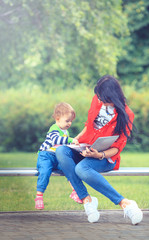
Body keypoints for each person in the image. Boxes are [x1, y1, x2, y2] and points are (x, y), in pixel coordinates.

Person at [56, 75, 143, 225]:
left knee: (82, 168)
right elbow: (88, 125)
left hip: (105, 157)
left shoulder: (127, 114)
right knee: (61, 151)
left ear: (113, 97)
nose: (101, 101)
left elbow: (117, 147)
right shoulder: (96, 100)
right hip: (84, 150)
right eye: (99, 97)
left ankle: (125, 203)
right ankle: (87, 200)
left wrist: (100, 154)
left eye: (104, 99)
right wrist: (74, 141)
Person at [35, 102, 82, 210]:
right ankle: (39, 196)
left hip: (57, 157)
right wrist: (71, 140)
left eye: (70, 121)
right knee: (45, 171)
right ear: (57, 118)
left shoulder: (66, 131)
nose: (69, 123)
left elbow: (65, 146)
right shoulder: (54, 128)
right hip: (46, 156)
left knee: (70, 168)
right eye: (67, 120)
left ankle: (75, 191)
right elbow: (56, 140)